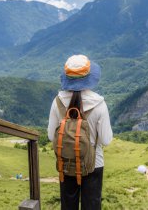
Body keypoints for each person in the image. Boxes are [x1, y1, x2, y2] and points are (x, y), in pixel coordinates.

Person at [48, 54, 113, 210]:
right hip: (93, 164)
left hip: (66, 164)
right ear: (89, 77)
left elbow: (51, 136)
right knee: (91, 205)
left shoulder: (57, 102)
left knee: (68, 205)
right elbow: (105, 140)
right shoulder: (99, 104)